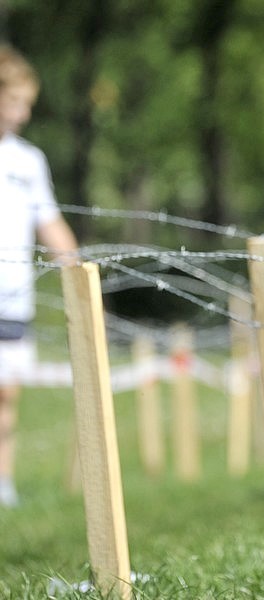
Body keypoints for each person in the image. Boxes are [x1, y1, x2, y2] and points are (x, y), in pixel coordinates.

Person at [0, 45, 79, 507]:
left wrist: (79, 271)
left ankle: (3, 482)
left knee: (6, 395)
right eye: (15, 101)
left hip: (12, 300)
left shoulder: (28, 161)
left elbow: (49, 222)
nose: (24, 113)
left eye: (27, 103)